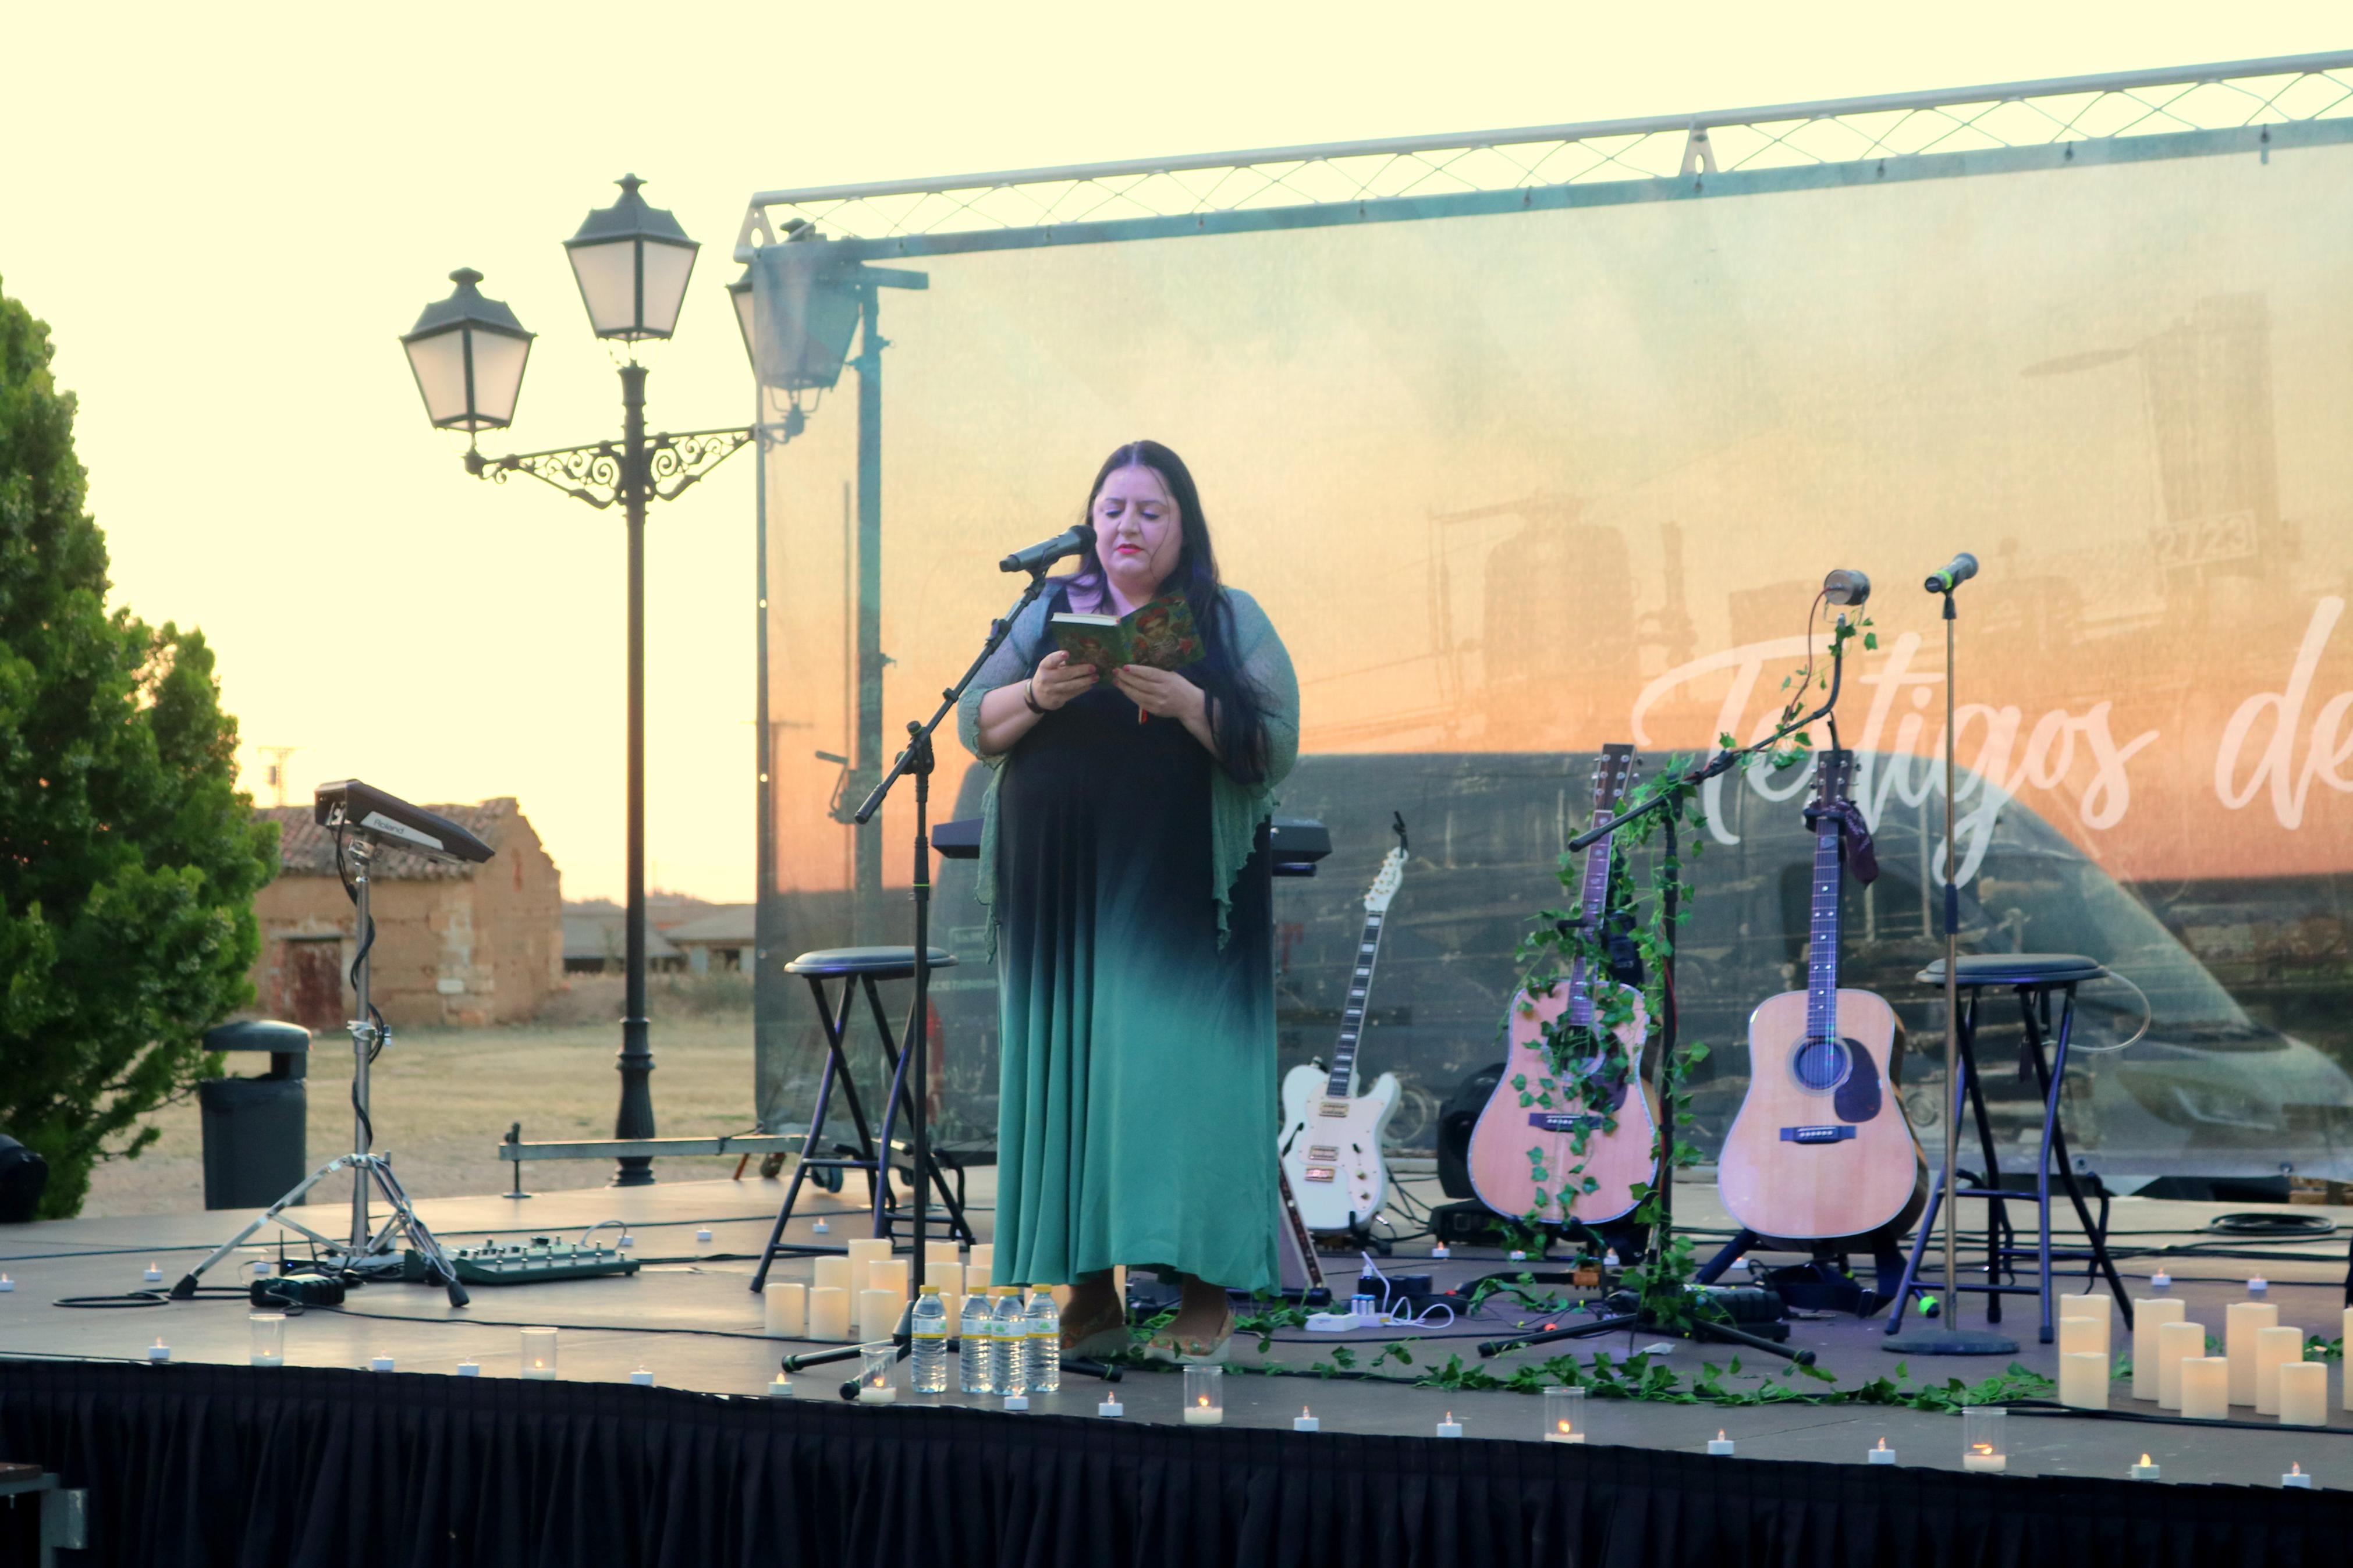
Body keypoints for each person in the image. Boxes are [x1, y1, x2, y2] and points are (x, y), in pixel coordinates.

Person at [957, 440, 1299, 1361]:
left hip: (1179, 894)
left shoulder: (1228, 620)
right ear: (1090, 523)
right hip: (1061, 887)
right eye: (1112, 509)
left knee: (1174, 1082)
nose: (1127, 527)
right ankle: (1092, 1295)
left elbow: (1275, 743)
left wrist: (1192, 703)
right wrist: (1037, 690)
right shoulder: (1049, 611)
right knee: (1076, 1077)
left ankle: (1202, 1293)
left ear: (1184, 526)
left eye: (1150, 511)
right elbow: (976, 727)